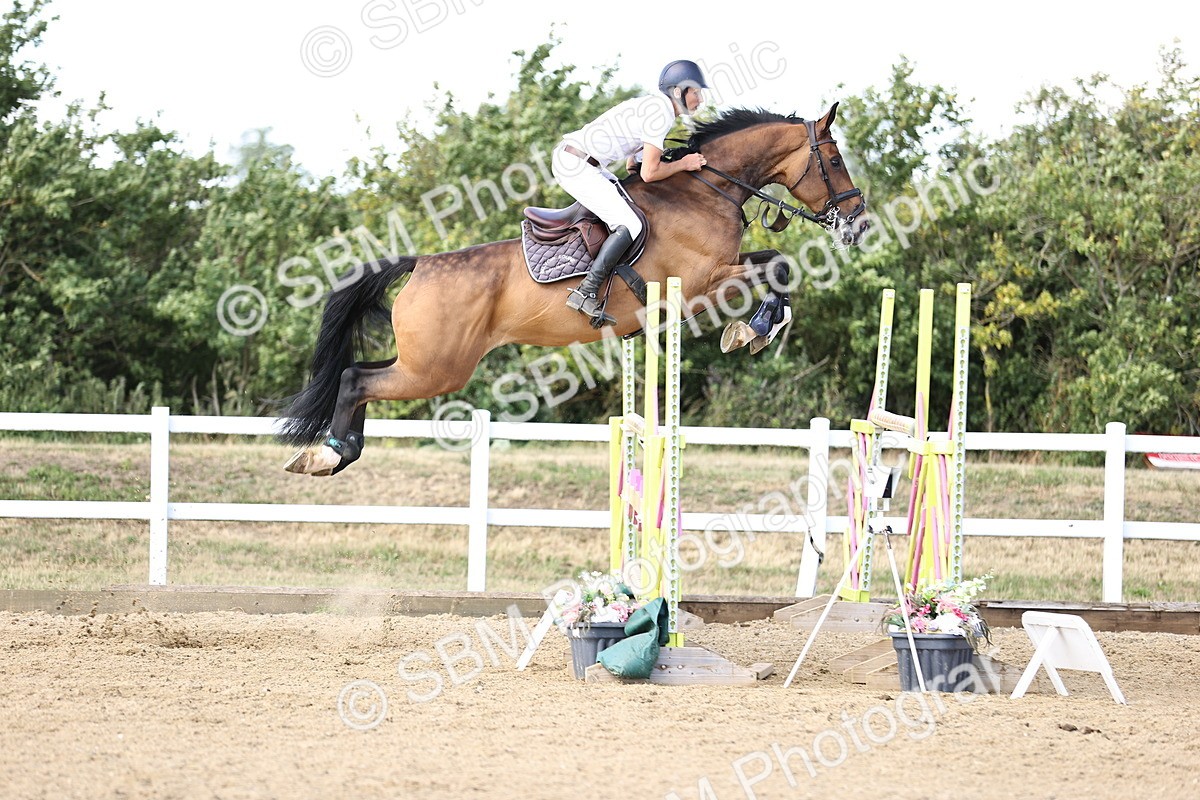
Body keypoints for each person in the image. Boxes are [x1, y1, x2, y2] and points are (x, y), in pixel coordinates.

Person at [556, 60, 709, 324]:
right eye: (695, 91)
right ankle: (586, 291)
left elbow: (632, 165)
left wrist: (666, 160)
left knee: (631, 209)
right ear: (677, 92)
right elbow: (649, 173)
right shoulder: (661, 114)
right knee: (630, 223)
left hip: (585, 163)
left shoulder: (655, 108)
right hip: (575, 165)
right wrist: (685, 164)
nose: (700, 98)